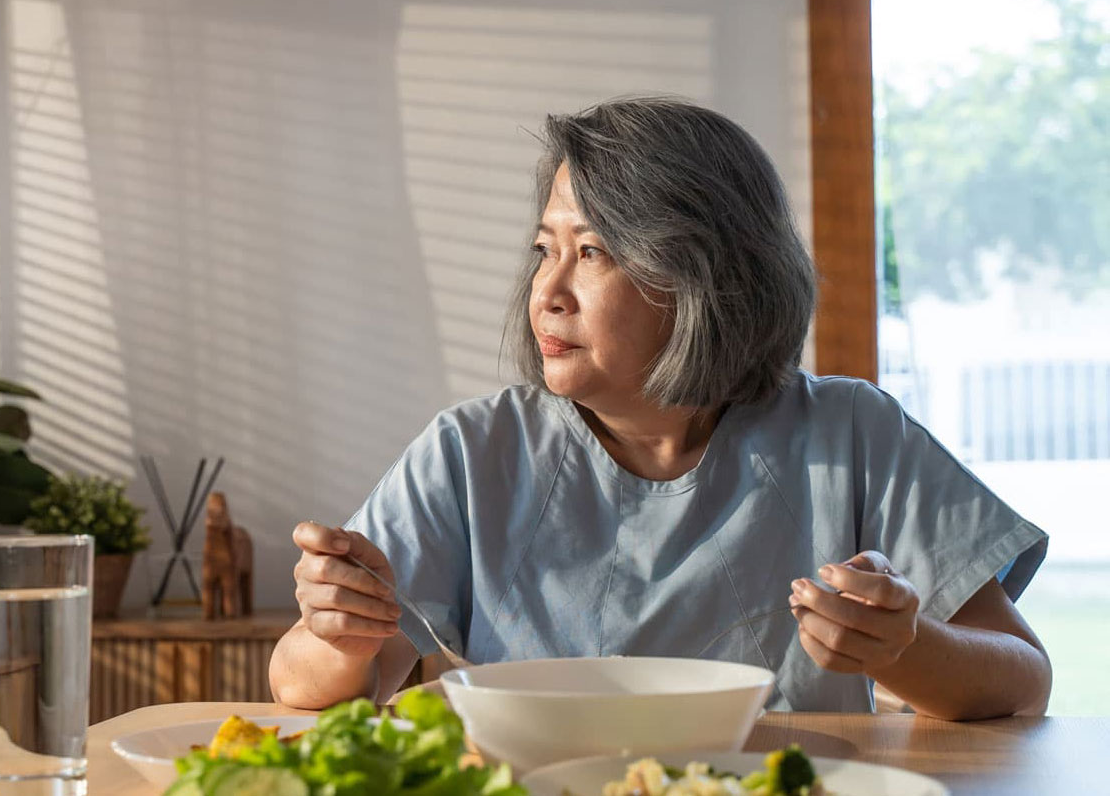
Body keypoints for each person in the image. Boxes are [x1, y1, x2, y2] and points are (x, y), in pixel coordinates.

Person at [269, 97, 1051, 719]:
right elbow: (302, 688)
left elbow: (1021, 679)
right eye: (545, 249)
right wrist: (338, 634)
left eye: (594, 252)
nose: (547, 290)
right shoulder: (471, 451)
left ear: (703, 276)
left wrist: (901, 647)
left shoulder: (852, 433)